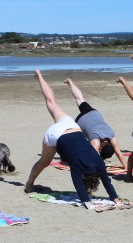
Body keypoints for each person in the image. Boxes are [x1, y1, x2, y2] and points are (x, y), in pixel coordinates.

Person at [23, 70, 119, 207]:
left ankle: (39, 76)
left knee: (51, 102)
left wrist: (115, 198)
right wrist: (88, 201)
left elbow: (106, 180)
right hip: (56, 134)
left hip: (72, 126)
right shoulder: (77, 164)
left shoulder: (98, 159)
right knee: (44, 162)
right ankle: (29, 184)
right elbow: (78, 183)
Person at [63, 77, 128, 169]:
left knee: (80, 99)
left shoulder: (112, 136)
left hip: (94, 114)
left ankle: (70, 83)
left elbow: (118, 152)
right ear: (100, 149)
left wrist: (126, 167)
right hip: (81, 120)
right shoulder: (95, 141)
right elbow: (94, 157)